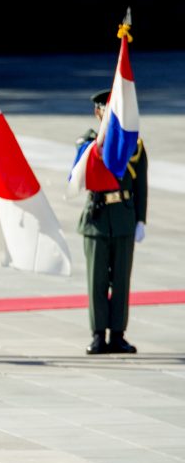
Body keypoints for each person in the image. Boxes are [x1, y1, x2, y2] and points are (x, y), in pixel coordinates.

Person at [79, 89, 148, 355]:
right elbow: (83, 169)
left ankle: (117, 333)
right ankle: (98, 334)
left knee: (120, 280)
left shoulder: (134, 144)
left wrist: (140, 219)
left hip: (123, 217)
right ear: (97, 113)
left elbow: (140, 184)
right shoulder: (88, 142)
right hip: (97, 219)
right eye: (104, 109)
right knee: (97, 281)